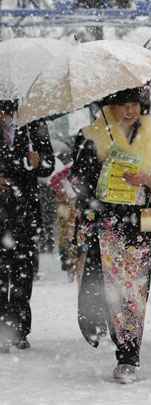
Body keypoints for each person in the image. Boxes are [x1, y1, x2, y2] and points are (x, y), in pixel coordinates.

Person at [71, 87, 151, 383]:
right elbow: (79, 183)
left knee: (135, 293)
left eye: (134, 104)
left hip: (141, 226)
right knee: (112, 292)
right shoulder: (91, 138)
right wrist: (104, 179)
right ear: (109, 108)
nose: (130, 111)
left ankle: (129, 354)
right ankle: (124, 350)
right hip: (107, 224)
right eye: (122, 105)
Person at [0, 99, 55, 353]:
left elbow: (48, 165)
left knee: (22, 271)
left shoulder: (35, 124)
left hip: (25, 212)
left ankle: (20, 328)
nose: (6, 116)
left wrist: (37, 162)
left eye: (10, 111)